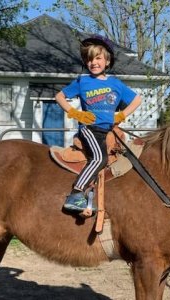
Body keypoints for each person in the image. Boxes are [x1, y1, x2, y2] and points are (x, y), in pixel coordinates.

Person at [55, 35, 141, 213]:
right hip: (89, 129)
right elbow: (59, 96)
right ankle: (75, 195)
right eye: (89, 59)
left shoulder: (115, 84)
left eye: (98, 58)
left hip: (107, 131)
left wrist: (121, 115)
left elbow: (137, 100)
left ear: (107, 61)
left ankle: (94, 196)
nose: (93, 62)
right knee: (99, 158)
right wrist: (74, 113)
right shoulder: (82, 81)